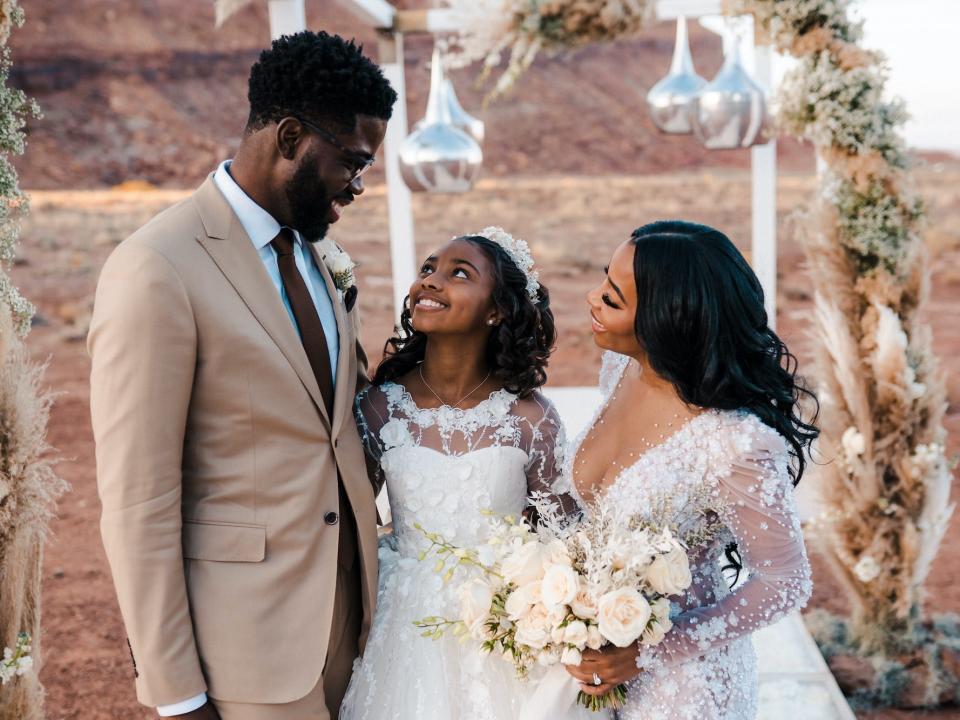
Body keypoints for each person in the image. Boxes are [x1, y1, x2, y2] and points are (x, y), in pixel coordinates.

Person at [88, 31, 396, 720]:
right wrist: (177, 695)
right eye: (353, 161)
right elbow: (139, 503)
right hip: (247, 655)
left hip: (355, 632)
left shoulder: (319, 255)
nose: (359, 184)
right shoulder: (158, 269)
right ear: (290, 137)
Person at [563, 221, 817, 719]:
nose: (592, 298)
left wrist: (651, 651)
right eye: (603, 281)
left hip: (683, 690)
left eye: (612, 299)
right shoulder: (621, 371)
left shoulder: (735, 442)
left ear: (665, 321)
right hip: (593, 668)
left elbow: (786, 581)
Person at [340, 228, 588, 720]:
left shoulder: (529, 419)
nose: (430, 282)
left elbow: (563, 538)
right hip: (403, 626)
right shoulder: (378, 408)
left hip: (503, 627)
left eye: (458, 274)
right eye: (428, 269)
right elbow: (348, 517)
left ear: (497, 310)